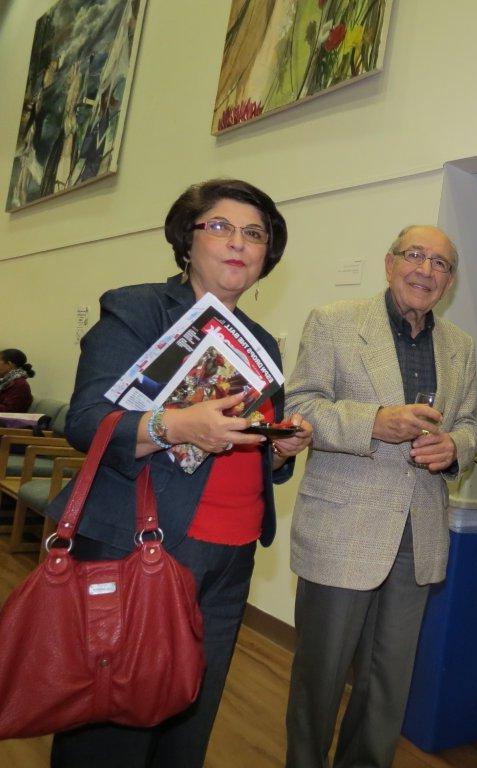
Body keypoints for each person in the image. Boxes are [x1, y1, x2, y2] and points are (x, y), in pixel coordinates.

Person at [44, 178, 312, 768]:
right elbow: (87, 420)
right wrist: (175, 426)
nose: (238, 243)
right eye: (219, 226)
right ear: (186, 242)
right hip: (145, 547)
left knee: (189, 721)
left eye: (254, 233)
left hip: (230, 556)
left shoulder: (261, 341)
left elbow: (239, 446)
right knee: (112, 725)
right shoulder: (140, 308)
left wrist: (279, 451)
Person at [284, 224, 477, 768]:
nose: (426, 269)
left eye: (440, 263)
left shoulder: (460, 346)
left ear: (450, 280)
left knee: (387, 684)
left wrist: (455, 448)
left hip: (418, 535)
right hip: (342, 529)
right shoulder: (334, 323)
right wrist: (374, 422)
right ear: (390, 263)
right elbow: (300, 408)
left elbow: (468, 425)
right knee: (319, 680)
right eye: (415, 256)